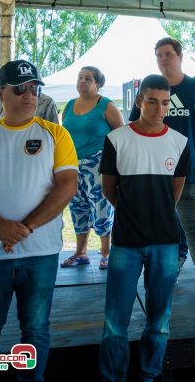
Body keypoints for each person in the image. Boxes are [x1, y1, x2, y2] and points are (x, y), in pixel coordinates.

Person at [0, 59, 78, 382]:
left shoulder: (58, 135)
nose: (29, 95)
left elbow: (68, 185)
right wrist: (0, 228)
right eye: (19, 88)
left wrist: (24, 228)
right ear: (1, 93)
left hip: (41, 252)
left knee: (36, 330)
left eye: (34, 88)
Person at [99, 74, 191, 382]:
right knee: (115, 322)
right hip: (125, 241)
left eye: (165, 103)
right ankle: (113, 377)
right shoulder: (116, 140)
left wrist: (154, 213)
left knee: (159, 321)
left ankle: (149, 376)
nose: (159, 108)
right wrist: (132, 212)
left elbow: (174, 194)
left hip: (165, 242)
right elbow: (109, 189)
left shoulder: (179, 143)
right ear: (140, 100)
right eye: (152, 101)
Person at [129, 38, 195, 300]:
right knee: (157, 225)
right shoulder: (148, 88)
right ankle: (161, 274)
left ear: (180, 56)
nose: (163, 59)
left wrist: (188, 146)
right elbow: (136, 125)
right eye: (158, 55)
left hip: (189, 170)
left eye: (168, 54)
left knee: (193, 225)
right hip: (152, 172)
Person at [60, 66, 124, 270]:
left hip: (99, 165)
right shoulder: (69, 106)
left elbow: (121, 135)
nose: (82, 81)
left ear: (98, 84)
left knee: (101, 206)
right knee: (77, 206)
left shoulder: (105, 105)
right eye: (80, 77)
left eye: (88, 78)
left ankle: (106, 252)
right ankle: (81, 252)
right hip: (73, 166)